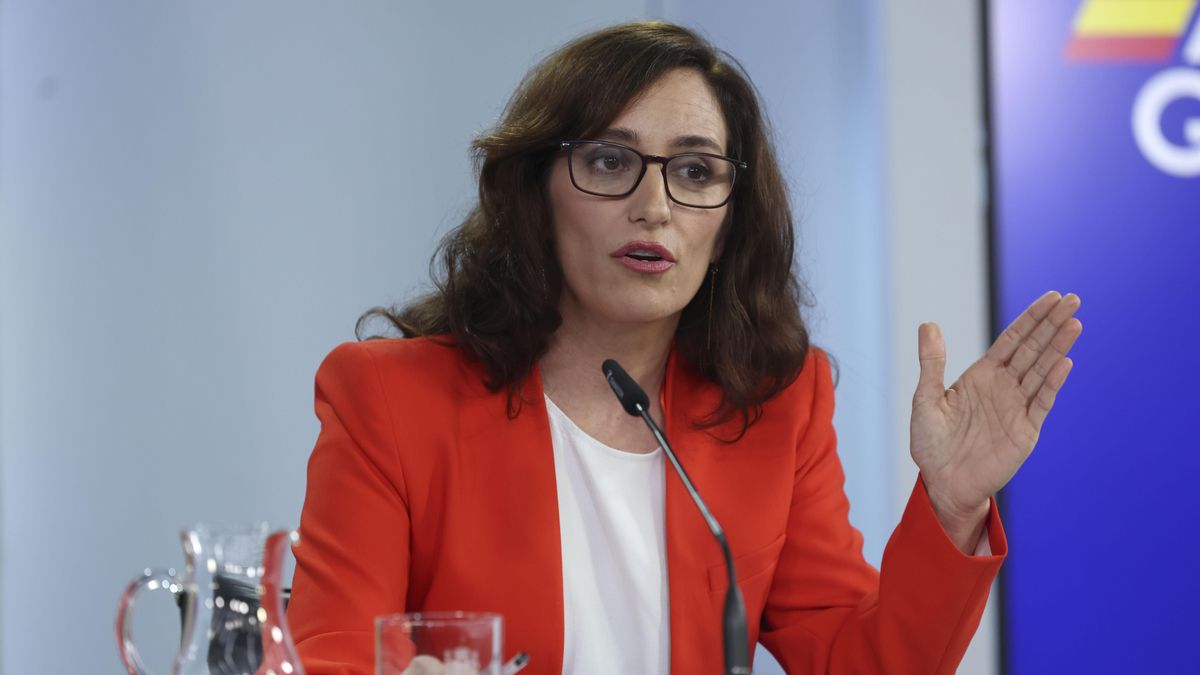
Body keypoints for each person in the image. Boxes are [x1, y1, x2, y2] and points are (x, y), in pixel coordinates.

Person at [286, 20, 1083, 675]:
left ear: (730, 216)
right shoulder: (390, 398)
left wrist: (951, 506)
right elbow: (329, 655)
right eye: (609, 160)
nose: (654, 205)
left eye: (696, 172)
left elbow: (859, 663)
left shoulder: (776, 401)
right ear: (537, 188)